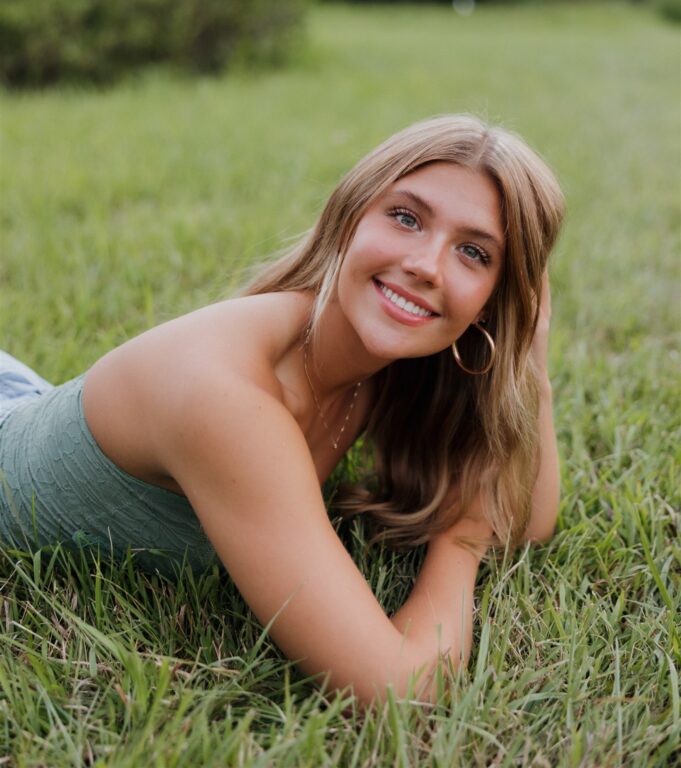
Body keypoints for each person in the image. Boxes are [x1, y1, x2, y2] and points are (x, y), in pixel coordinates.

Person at [0, 114, 564, 706]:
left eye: (473, 252)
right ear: (350, 215)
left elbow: (527, 523)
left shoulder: (389, 364)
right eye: (405, 217)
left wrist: (532, 362)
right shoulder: (225, 396)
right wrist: (464, 539)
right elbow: (397, 691)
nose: (426, 264)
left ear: (492, 303)